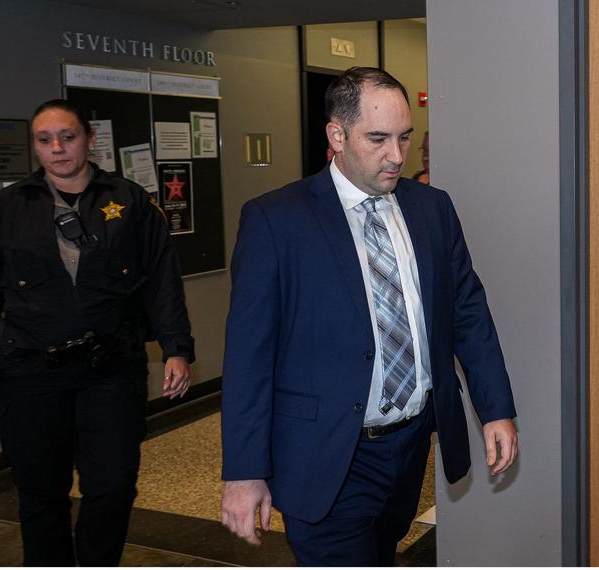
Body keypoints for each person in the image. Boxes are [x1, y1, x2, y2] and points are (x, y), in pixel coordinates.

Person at [220, 67, 518, 566]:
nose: (396, 156)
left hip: (409, 445)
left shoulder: (432, 208)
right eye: (378, 139)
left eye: (404, 137)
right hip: (327, 455)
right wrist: (244, 471)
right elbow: (250, 354)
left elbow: (468, 312)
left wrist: (496, 408)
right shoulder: (276, 220)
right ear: (336, 135)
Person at [0, 99, 195, 566]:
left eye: (67, 137)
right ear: (35, 147)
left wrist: (176, 348)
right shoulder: (7, 209)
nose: (57, 148)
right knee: (40, 493)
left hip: (110, 371)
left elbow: (162, 281)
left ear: (89, 140)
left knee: (113, 486)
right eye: (45, 139)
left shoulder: (130, 201)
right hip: (31, 373)